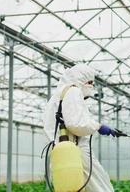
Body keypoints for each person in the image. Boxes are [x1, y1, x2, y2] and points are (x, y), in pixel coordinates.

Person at [43, 63, 115, 192]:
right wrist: (98, 126)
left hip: (64, 151)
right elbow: (76, 123)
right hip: (76, 151)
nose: (91, 86)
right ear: (82, 79)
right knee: (99, 186)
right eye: (90, 82)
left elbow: (71, 117)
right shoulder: (73, 91)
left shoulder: (60, 93)